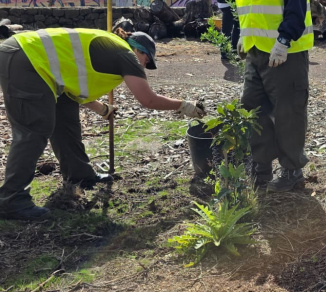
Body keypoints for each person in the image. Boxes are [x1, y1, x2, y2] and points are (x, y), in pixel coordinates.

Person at [0, 28, 206, 220]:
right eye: (146, 59)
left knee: (65, 119)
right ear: (137, 49)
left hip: (32, 60)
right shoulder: (125, 54)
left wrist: (101, 109)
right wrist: (184, 105)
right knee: (34, 129)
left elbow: (74, 87)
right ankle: (11, 199)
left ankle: (79, 174)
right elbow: (147, 99)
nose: (144, 65)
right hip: (25, 59)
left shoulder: (110, 48)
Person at [225, 0, 312, 193]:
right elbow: (246, 8)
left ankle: (292, 171)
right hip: (254, 51)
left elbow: (297, 7)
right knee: (251, 110)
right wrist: (241, 35)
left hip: (286, 52)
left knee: (289, 112)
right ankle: (260, 168)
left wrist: (284, 41)